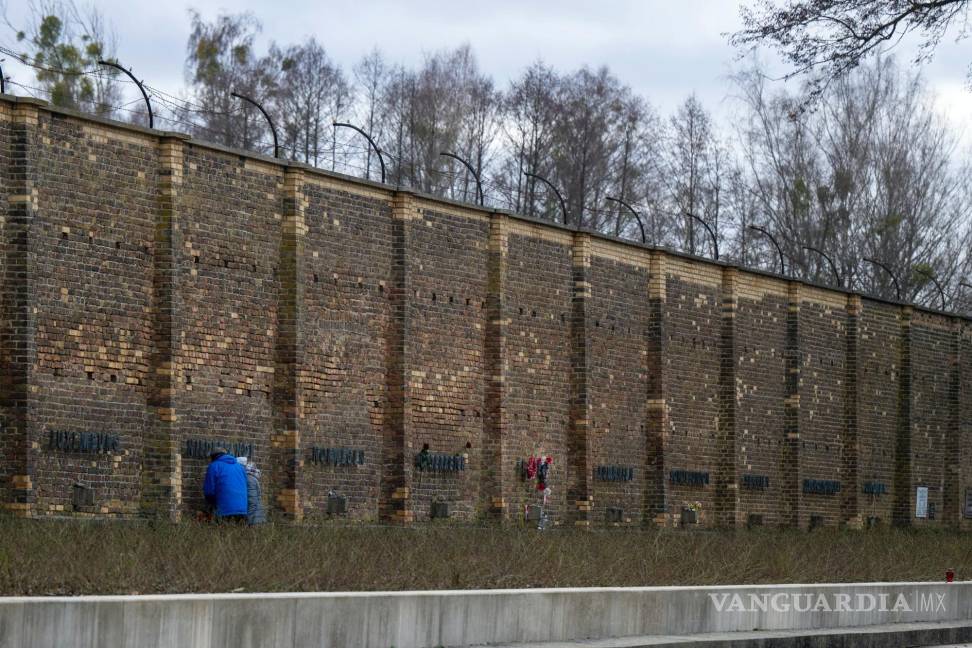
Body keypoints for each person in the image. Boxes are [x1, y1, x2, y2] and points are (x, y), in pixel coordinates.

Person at [203, 447, 248, 523]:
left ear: (213, 457)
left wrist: (212, 503)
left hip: (224, 510)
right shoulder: (240, 467)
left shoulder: (214, 466)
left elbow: (209, 492)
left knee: (221, 533)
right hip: (242, 510)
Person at [237, 457, 267, 525]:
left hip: (253, 516)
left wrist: (248, 523)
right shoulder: (252, 478)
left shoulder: (248, 479)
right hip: (256, 514)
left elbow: (251, 500)